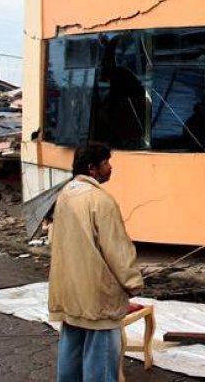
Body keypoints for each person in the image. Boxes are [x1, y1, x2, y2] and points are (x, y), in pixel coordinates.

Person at [48, 142, 143, 381]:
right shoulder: (100, 201)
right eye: (105, 163)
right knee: (100, 361)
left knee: (71, 349)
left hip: (69, 289)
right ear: (92, 169)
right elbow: (117, 250)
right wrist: (132, 283)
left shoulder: (66, 194)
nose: (110, 168)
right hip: (97, 292)